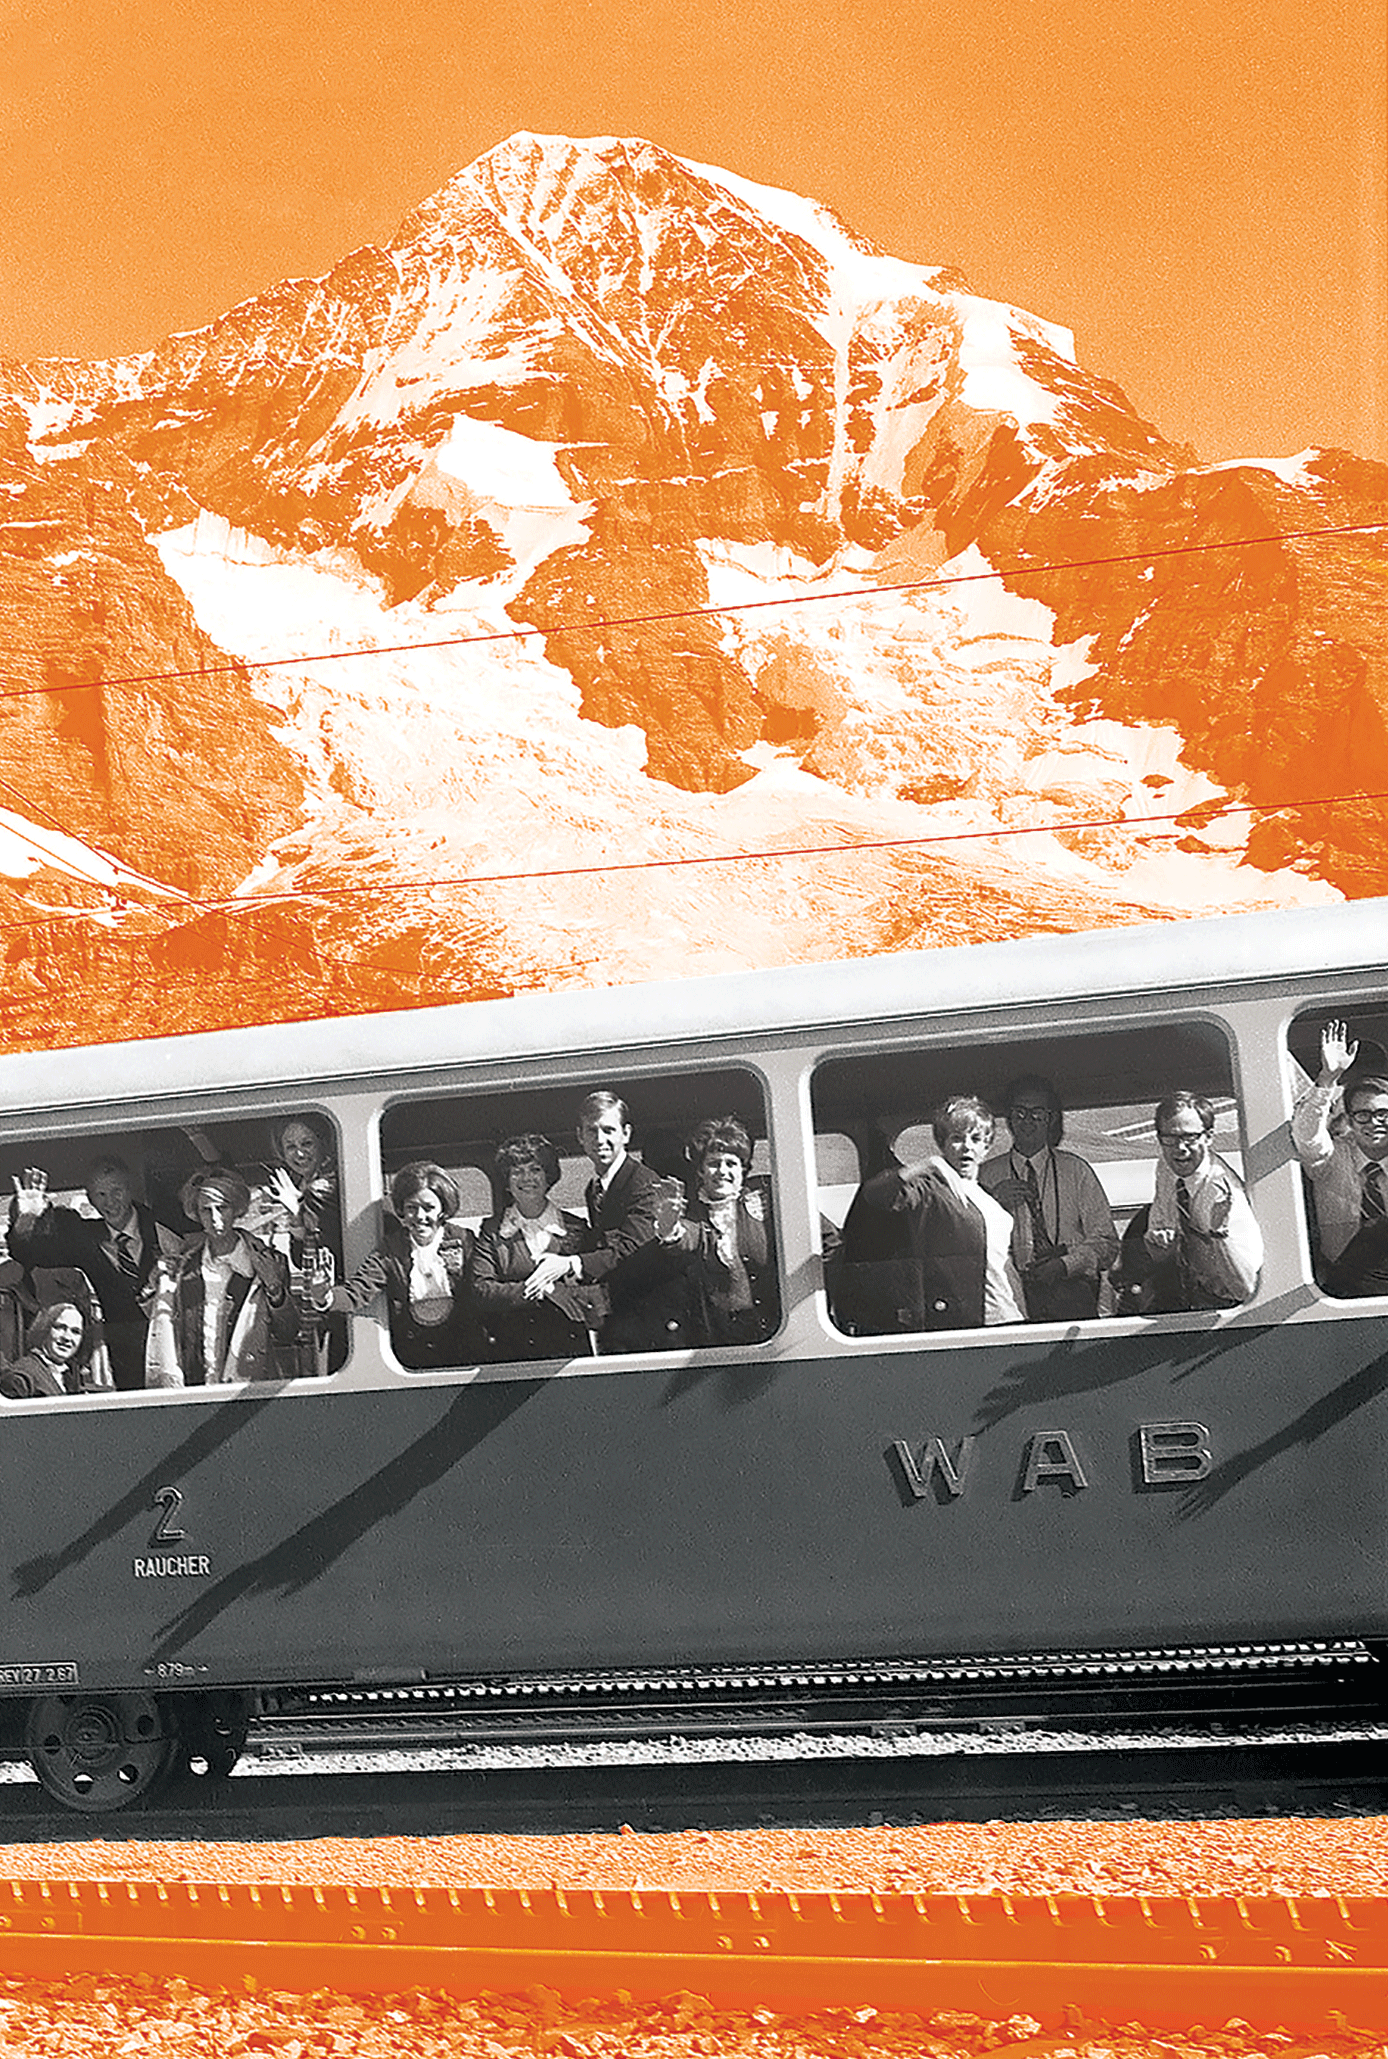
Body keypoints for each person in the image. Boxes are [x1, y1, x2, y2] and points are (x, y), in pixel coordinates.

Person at [836, 1095, 1025, 1334]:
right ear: (943, 1143)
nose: (966, 1146)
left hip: (1010, 1315)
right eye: (957, 1138)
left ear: (986, 1148)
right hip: (973, 1323)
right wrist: (927, 1165)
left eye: (976, 1139)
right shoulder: (930, 1188)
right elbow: (875, 1196)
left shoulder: (987, 1197)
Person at [9, 1156, 186, 1390]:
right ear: (90, 1199)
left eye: (116, 1191)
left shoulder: (164, 1224)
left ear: (130, 1188)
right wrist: (26, 1221)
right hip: (121, 1363)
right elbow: (29, 1253)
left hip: (176, 1349)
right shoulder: (82, 1237)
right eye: (100, 1195)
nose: (110, 1202)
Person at [606, 1115, 778, 1351]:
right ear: (700, 1171)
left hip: (774, 1337)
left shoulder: (766, 1199)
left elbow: (825, 1240)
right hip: (715, 1342)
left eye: (731, 1163)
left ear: (744, 1169)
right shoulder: (693, 1212)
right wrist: (668, 1225)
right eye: (714, 1163)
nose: (722, 1171)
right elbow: (686, 1237)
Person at [979, 1073, 1118, 1321]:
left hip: (1072, 1297)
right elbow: (969, 1247)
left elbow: (1107, 1244)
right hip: (1010, 1300)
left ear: (1050, 1119)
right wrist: (992, 1204)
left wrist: (1065, 1265)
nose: (1028, 1121)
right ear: (1008, 1119)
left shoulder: (1076, 1170)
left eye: (1038, 1114)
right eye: (1020, 1113)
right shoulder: (986, 1175)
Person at [145, 1168, 297, 1386]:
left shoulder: (272, 1262)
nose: (215, 1218)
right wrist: (154, 1284)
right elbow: (161, 1331)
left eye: (222, 1208)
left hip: (250, 1390)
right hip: (196, 1391)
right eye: (206, 1210)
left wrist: (274, 1289)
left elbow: (288, 1333)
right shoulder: (184, 1268)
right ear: (196, 1213)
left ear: (236, 1209)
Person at [520, 1091, 662, 1317]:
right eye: (591, 1130)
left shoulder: (643, 1183)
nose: (599, 1140)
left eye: (608, 1130)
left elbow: (632, 1248)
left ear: (625, 1134)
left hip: (650, 1311)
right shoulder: (594, 1189)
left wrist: (569, 1264)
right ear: (580, 1136)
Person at [333, 1162, 484, 1369]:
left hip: (464, 1352)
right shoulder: (392, 1247)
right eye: (411, 1208)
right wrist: (324, 1296)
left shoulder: (464, 1240)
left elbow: (482, 1287)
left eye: (428, 1208)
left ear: (443, 1208)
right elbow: (356, 1293)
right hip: (412, 1358)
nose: (420, 1217)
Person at [470, 1135, 594, 1362]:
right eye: (516, 1171)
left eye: (535, 1169)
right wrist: (544, 1290)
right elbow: (481, 1291)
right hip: (513, 1354)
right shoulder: (492, 1231)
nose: (526, 1178)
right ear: (506, 1181)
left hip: (569, 1353)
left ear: (549, 1176)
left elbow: (597, 1286)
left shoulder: (577, 1228)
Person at [240, 1113, 345, 1375]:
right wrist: (297, 1218)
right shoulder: (304, 1187)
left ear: (322, 1144)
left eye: (307, 1143)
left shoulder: (324, 1187)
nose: (299, 1153)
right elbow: (303, 1257)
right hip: (323, 1304)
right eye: (291, 1147)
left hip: (340, 1297)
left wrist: (298, 1210)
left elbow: (332, 1247)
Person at [1291, 1021, 1388, 1295]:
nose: (1374, 1123)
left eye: (1383, 1114)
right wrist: (1327, 1079)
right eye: (1363, 1115)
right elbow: (1306, 1136)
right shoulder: (1331, 1159)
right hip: (1344, 1288)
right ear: (1350, 1119)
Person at [1143, 1091, 1262, 1310]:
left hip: (1229, 1307)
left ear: (1208, 1137)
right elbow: (1161, 1256)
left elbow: (1247, 1289)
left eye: (1190, 1137)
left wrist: (1219, 1236)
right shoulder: (1166, 1168)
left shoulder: (1224, 1194)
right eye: (1170, 1138)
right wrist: (1160, 1241)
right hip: (1186, 1296)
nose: (1180, 1149)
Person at [0, 1302, 103, 1401]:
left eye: (75, 1332)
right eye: (60, 1327)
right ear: (44, 1329)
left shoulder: (68, 1376)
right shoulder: (26, 1371)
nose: (67, 1337)